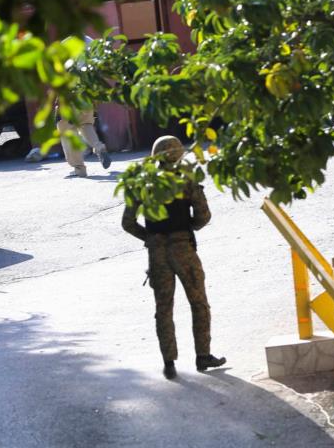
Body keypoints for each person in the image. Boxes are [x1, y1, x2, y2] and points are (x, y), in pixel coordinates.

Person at [121, 136, 226, 379]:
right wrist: (189, 227)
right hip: (183, 249)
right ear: (179, 154)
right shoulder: (186, 178)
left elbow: (127, 223)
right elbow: (204, 215)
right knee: (198, 302)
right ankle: (203, 356)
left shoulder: (142, 182)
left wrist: (149, 237)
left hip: (157, 252)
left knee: (163, 308)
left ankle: (169, 362)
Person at [57, 105, 111, 178]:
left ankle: (79, 169)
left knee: (67, 132)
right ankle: (99, 147)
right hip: (85, 100)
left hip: (68, 102)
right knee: (85, 124)